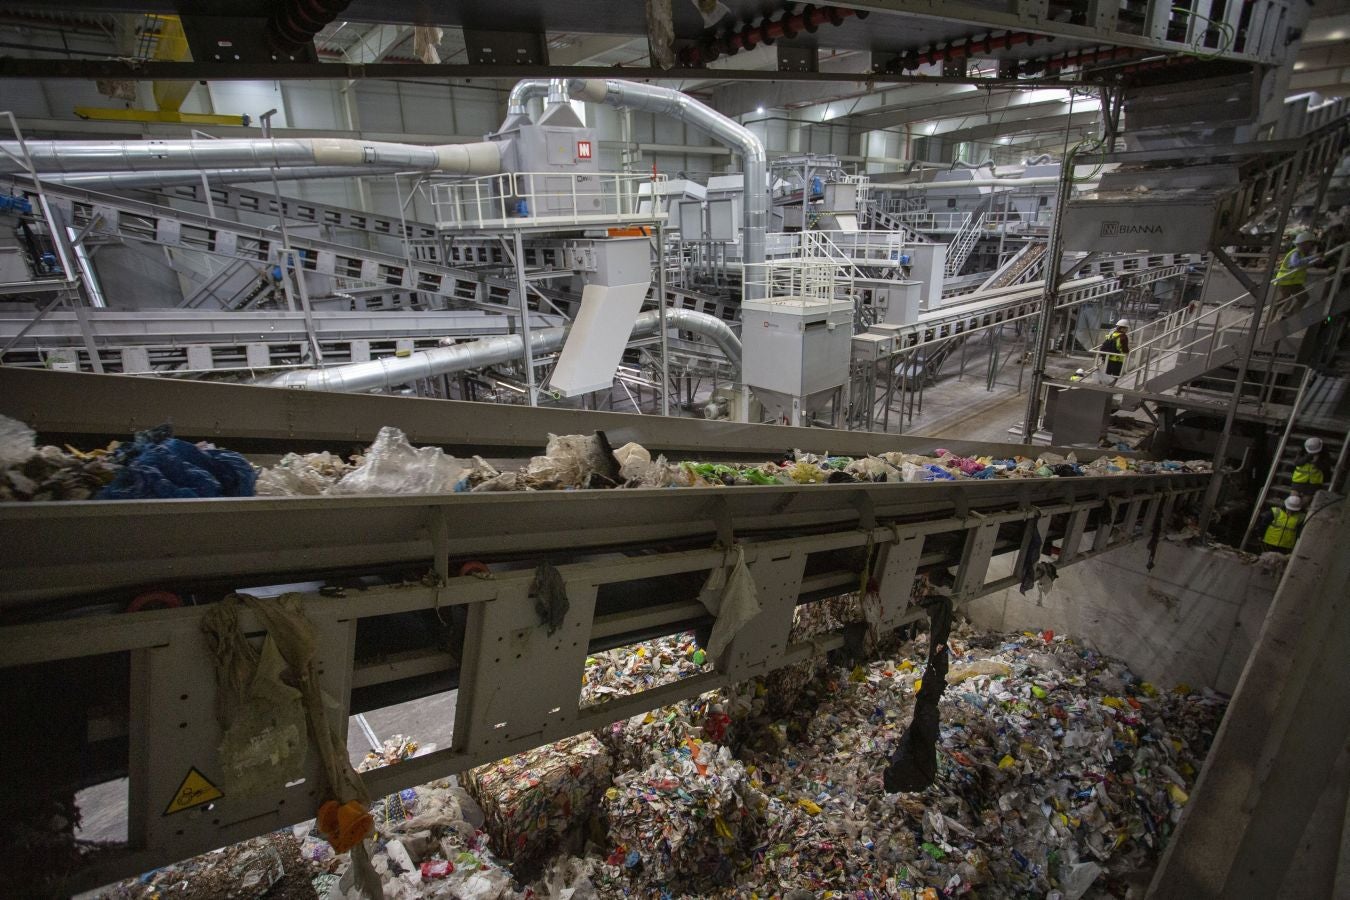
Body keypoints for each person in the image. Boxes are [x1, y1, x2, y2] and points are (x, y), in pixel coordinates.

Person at [1273, 231, 1320, 304]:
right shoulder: (1296, 252)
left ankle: (1286, 314)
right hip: (1287, 281)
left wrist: (1314, 261)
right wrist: (1314, 257)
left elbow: (1303, 264)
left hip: (1292, 281)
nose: (1313, 247)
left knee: (1294, 299)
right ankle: (1283, 313)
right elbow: (1296, 263)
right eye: (1311, 244)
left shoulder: (1303, 254)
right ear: (1305, 244)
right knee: (1290, 300)